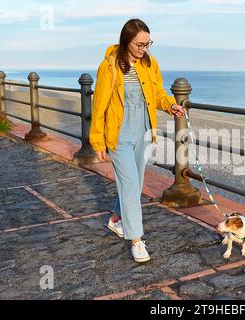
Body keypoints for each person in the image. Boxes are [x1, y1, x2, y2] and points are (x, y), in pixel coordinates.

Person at [89, 18, 185, 263]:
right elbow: (99, 105)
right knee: (131, 185)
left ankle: (115, 219)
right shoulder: (109, 67)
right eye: (139, 44)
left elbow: (158, 93)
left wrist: (169, 105)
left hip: (144, 132)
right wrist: (97, 141)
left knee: (134, 183)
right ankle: (136, 240)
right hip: (119, 136)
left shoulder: (150, 63)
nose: (144, 49)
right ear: (126, 41)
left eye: (147, 43)